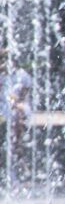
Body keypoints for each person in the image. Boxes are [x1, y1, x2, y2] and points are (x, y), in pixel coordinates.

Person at [0, 47, 32, 183]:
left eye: (5, 59)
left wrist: (18, 103)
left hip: (16, 111)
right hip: (3, 111)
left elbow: (24, 93)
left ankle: (17, 157)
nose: (3, 63)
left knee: (17, 115)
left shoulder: (21, 75)